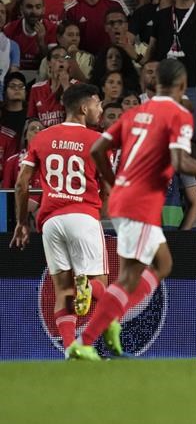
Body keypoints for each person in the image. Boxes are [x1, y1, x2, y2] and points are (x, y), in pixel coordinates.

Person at [68, 59, 196, 360]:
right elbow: (180, 161)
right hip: (140, 203)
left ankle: (112, 320)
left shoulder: (136, 113)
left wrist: (114, 182)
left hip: (125, 199)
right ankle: (86, 340)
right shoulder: (179, 115)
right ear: (183, 85)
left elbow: (97, 150)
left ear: (154, 84)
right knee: (130, 276)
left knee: (163, 263)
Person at [9, 83, 123, 355]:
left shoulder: (42, 137)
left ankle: (71, 348)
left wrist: (22, 223)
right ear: (84, 108)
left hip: (51, 222)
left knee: (62, 291)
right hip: (83, 217)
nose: (100, 109)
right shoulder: (98, 141)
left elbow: (21, 185)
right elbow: (109, 187)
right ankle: (89, 286)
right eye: (97, 103)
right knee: (99, 284)